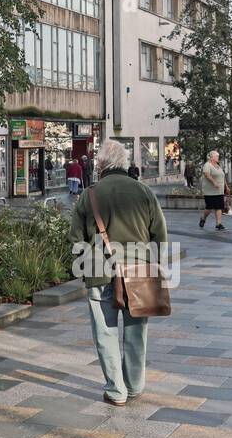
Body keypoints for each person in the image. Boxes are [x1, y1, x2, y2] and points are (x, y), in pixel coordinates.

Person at [68, 139, 167, 406]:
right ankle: (134, 385)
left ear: (100, 164)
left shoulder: (89, 195)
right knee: (136, 332)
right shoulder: (144, 192)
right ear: (124, 164)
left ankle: (116, 390)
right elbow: (159, 234)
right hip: (139, 271)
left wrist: (84, 266)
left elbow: (77, 240)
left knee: (106, 332)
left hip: (100, 272)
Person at [200, 150, 227, 231]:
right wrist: (214, 182)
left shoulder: (218, 166)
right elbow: (207, 175)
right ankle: (203, 218)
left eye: (218, 156)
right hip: (209, 191)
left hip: (219, 190)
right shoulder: (207, 165)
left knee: (219, 207)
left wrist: (226, 186)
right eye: (216, 156)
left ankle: (218, 224)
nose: (218, 157)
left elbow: (222, 176)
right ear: (211, 157)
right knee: (209, 207)